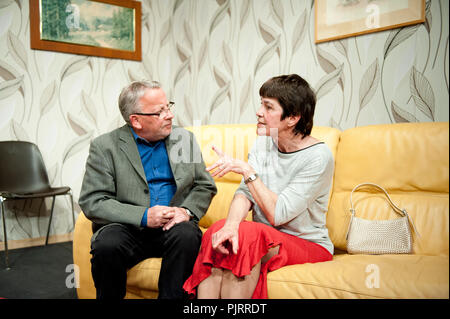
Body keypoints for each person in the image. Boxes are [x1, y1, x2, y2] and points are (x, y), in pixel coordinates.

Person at [183, 74, 334, 299]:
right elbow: (245, 194)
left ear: (292, 117)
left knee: (247, 237)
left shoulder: (318, 157)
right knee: (218, 232)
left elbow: (278, 214)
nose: (259, 111)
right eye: (261, 103)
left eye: (268, 106)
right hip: (263, 238)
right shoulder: (263, 143)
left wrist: (248, 172)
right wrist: (231, 227)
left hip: (307, 244)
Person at [79, 80, 217, 299]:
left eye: (168, 107)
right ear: (136, 120)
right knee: (107, 245)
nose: (170, 115)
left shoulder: (184, 140)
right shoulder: (105, 147)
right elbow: (93, 201)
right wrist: (143, 216)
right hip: (126, 228)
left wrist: (186, 211)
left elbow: (204, 185)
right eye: (159, 112)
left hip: (172, 227)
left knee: (188, 236)